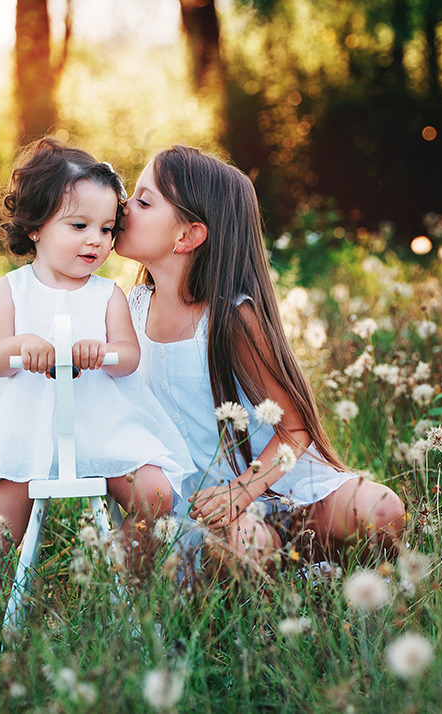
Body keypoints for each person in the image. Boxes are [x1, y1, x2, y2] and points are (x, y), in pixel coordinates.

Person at [115, 145, 405, 575]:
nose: (123, 208)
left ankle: (311, 556)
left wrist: (241, 492)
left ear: (186, 237)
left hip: (268, 485)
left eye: (143, 200)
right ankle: (279, 565)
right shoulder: (127, 309)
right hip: (196, 508)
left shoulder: (230, 317)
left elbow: (293, 428)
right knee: (234, 555)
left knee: (381, 509)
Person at [0, 138, 194, 602]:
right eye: (79, 225)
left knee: (155, 495)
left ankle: (127, 587)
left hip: (100, 428)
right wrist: (22, 345)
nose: (97, 240)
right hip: (28, 433)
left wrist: (103, 350)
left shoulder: (107, 295)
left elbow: (128, 357)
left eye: (108, 229)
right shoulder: (10, 291)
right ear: (34, 227)